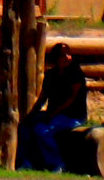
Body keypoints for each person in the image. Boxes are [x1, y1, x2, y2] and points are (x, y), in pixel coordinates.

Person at [20, 43, 90, 172]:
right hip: (53, 114)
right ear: (55, 58)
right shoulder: (51, 75)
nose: (67, 57)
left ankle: (58, 163)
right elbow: (42, 98)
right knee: (25, 127)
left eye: (68, 54)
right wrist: (31, 115)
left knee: (43, 131)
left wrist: (53, 114)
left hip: (72, 116)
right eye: (63, 55)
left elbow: (71, 99)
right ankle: (27, 161)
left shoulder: (76, 73)